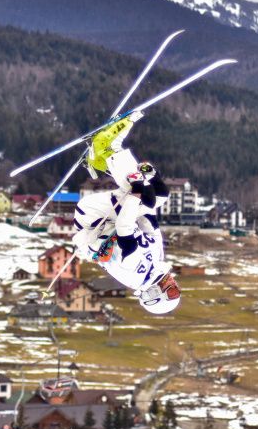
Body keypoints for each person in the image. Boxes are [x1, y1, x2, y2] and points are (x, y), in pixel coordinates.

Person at [70, 123, 181, 314]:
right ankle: (101, 159)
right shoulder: (156, 264)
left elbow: (124, 227)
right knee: (155, 198)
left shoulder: (133, 272)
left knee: (134, 191)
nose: (173, 283)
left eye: (170, 290)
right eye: (175, 288)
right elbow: (149, 219)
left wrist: (137, 190)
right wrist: (153, 181)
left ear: (155, 294)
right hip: (110, 221)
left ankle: (107, 147)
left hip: (93, 220)